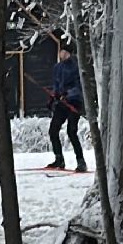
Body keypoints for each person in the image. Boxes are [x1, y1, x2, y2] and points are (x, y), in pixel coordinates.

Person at [45, 40, 87, 172]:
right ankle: (59, 159)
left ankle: (81, 161)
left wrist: (67, 94)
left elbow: (79, 86)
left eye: (64, 52)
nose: (61, 54)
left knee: (71, 132)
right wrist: (53, 98)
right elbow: (56, 85)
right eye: (60, 51)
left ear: (69, 54)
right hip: (62, 103)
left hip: (74, 102)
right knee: (53, 130)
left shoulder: (75, 67)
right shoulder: (57, 68)